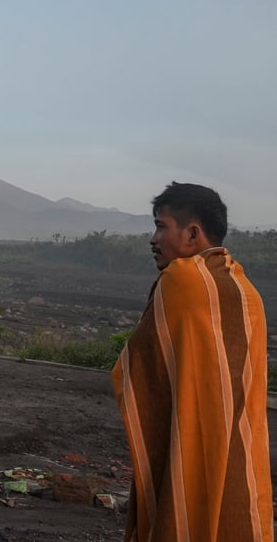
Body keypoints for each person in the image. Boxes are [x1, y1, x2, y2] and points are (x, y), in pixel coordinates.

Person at [112, 182, 273, 542]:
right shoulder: (248, 292)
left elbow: (140, 366)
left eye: (161, 226)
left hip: (190, 449)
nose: (153, 239)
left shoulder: (180, 279)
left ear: (193, 233)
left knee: (182, 517)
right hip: (239, 454)